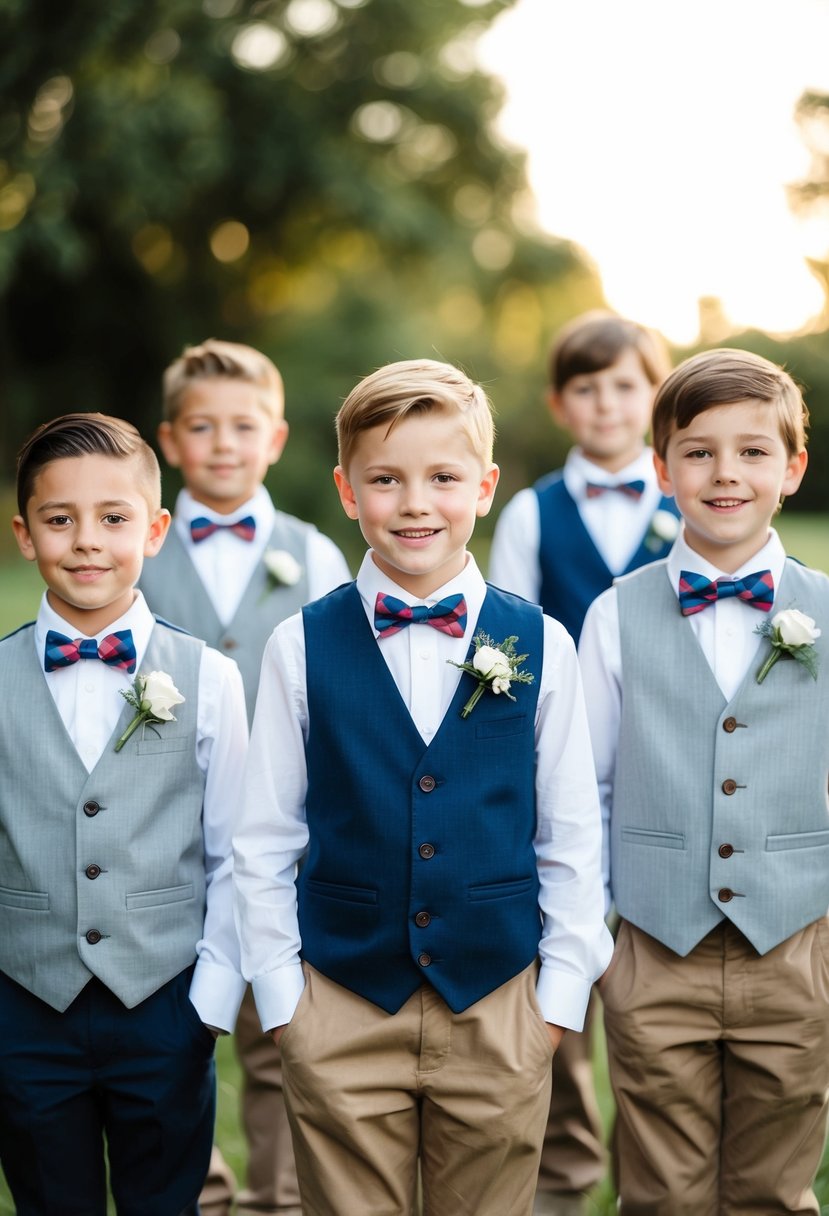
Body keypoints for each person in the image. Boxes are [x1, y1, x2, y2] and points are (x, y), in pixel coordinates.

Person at [233, 358, 614, 1216]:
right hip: (341, 1001)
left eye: (441, 477)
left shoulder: (542, 640)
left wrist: (553, 1002)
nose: (413, 503)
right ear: (344, 489)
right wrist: (285, 1001)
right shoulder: (298, 645)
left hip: (498, 1002)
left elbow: (569, 833)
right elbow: (264, 839)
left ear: (482, 487)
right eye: (384, 479)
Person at [579, 348, 829, 1214]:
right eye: (697, 451)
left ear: (792, 468)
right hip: (654, 945)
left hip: (796, 945)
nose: (725, 473)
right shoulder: (613, 615)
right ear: (661, 469)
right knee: (660, 1190)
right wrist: (599, 942)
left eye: (754, 451)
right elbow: (590, 790)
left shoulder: (827, 612)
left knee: (774, 1185)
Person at [2, 413, 247, 1215]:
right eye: (59, 519)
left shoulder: (207, 678)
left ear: (156, 529)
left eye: (114, 519)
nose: (86, 542)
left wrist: (207, 1004)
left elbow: (234, 849)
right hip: (24, 1008)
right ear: (23, 534)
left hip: (164, 1005)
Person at [139, 338, 350, 1216]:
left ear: (276, 438)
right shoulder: (134, 550)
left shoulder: (318, 556)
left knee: (279, 1031)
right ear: (170, 440)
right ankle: (203, 1195)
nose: (223, 443)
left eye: (243, 426)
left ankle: (279, 1200)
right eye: (202, 427)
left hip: (282, 843)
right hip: (159, 839)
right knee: (169, 1038)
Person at [489, 311, 678, 1216]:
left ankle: (656, 1179)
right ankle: (560, 1186)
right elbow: (506, 649)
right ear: (560, 404)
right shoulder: (530, 513)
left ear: (655, 396)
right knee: (556, 1003)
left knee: (653, 1013)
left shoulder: (697, 503)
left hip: (669, 785)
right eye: (587, 387)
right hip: (552, 786)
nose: (607, 403)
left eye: (625, 385)